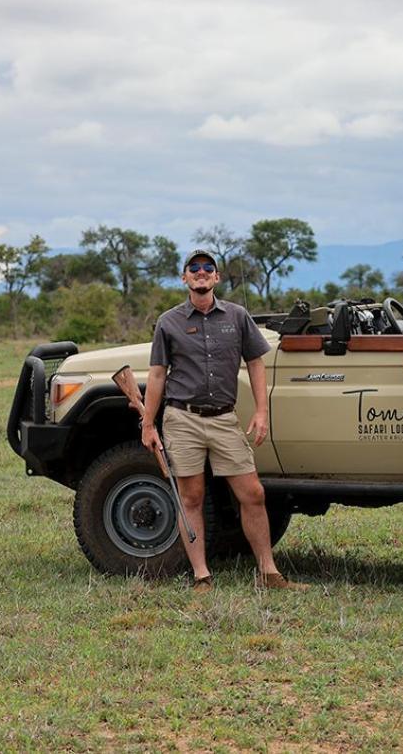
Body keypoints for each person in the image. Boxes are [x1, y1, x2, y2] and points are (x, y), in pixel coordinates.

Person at [138, 248, 307, 592]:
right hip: (182, 418)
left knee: (253, 493)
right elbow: (157, 376)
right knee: (192, 497)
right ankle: (202, 575)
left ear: (216, 278)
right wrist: (147, 424)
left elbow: (256, 362)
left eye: (208, 268)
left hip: (224, 419)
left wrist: (261, 411)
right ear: (184, 277)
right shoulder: (168, 322)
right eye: (194, 268)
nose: (201, 272)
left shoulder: (237, 316)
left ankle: (268, 572)